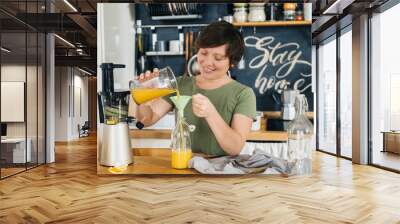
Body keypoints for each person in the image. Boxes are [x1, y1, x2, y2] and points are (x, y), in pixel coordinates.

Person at [131, 21, 256, 156]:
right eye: (203, 53)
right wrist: (142, 98)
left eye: (218, 58)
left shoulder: (243, 94)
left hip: (221, 173)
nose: (208, 62)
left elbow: (235, 148)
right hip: (183, 167)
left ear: (232, 62)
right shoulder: (180, 84)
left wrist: (210, 113)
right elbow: (147, 120)